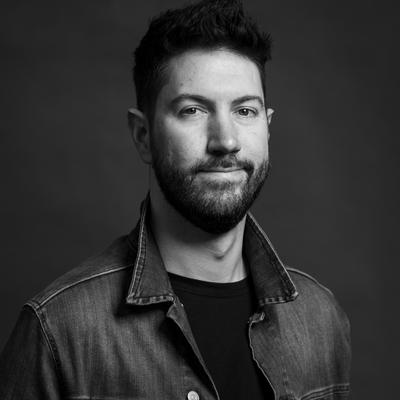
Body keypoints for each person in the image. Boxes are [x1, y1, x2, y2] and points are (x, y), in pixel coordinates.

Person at [0, 0, 351, 399]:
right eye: (193, 110)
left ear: (267, 127)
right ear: (143, 136)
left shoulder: (322, 320)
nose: (226, 140)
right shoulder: (59, 332)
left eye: (245, 111)